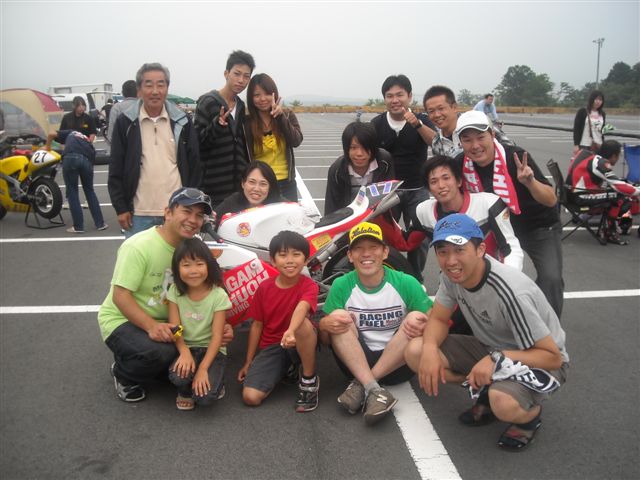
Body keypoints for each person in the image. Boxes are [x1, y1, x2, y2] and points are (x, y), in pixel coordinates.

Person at [404, 214, 569, 452]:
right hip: (491, 348)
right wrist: (429, 349)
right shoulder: (452, 276)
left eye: (459, 250)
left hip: (539, 359)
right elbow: (439, 318)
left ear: (480, 249)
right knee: (416, 351)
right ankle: (487, 388)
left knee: (503, 403)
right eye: (442, 252)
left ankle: (529, 416)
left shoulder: (511, 292)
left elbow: (553, 357)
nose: (450, 261)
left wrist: (495, 360)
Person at [98, 187, 231, 402]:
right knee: (161, 355)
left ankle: (148, 362)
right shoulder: (138, 246)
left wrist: (225, 324)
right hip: (122, 320)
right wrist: (151, 326)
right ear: (168, 212)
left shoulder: (193, 248)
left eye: (199, 215)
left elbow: (214, 287)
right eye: (186, 211)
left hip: (170, 321)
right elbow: (120, 296)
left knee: (183, 367)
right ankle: (123, 373)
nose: (193, 220)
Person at [318, 222, 432, 425]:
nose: (366, 254)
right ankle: (375, 390)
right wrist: (324, 326)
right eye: (359, 249)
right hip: (354, 362)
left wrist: (425, 327)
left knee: (417, 318)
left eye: (373, 247)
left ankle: (364, 384)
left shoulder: (406, 282)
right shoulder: (341, 285)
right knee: (337, 316)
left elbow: (435, 323)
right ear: (350, 256)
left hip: (398, 365)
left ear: (385, 252)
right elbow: (326, 341)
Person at [454, 110, 564, 317]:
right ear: (461, 143)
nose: (475, 145)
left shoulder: (515, 157)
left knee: (551, 278)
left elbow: (551, 199)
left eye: (480, 137)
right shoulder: (461, 164)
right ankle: (491, 321)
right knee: (481, 275)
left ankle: (548, 329)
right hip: (498, 229)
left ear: (492, 135)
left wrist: (530, 182)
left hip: (538, 226)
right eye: (467, 140)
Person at [379, 155, 523, 270]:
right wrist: (378, 212)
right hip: (451, 279)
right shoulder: (424, 211)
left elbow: (510, 248)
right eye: (434, 181)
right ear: (429, 189)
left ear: (459, 181)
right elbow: (405, 242)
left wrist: (509, 280)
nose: (441, 185)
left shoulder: (489, 204)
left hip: (489, 277)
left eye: (446, 178)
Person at [108, 63, 202, 238]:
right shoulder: (125, 122)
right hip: (138, 214)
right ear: (139, 90)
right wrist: (120, 208)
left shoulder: (182, 121)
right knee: (139, 256)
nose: (155, 91)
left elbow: (194, 164)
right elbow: (116, 167)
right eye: (149, 85)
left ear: (167, 88)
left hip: (177, 212)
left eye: (160, 85)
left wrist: (192, 206)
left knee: (179, 256)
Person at [237, 230, 320, 412]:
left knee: (302, 325)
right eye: (283, 255)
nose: (289, 260)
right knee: (250, 397)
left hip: (299, 340)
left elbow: (302, 307)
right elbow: (257, 325)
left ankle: (309, 379)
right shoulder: (264, 288)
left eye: (296, 254)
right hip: (274, 346)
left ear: (306, 260)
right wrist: (248, 361)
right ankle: (287, 367)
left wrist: (290, 331)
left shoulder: (309, 285)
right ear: (273, 261)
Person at [371, 74, 436, 281]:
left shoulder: (422, 120)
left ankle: (415, 278)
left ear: (409, 96)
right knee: (385, 236)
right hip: (388, 192)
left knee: (420, 238)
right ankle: (390, 276)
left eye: (400, 95)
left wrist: (417, 124)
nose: (395, 100)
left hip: (418, 190)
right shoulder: (377, 124)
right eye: (389, 96)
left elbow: (435, 142)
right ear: (384, 99)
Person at [167, 238, 232, 410]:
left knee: (205, 398)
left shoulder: (218, 295)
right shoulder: (174, 291)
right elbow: (175, 328)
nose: (193, 271)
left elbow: (217, 336)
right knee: (178, 377)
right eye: (186, 265)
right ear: (177, 269)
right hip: (187, 346)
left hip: (213, 350)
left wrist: (203, 368)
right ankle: (185, 390)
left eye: (199, 264)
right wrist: (183, 351)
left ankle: (217, 381)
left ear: (208, 265)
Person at [195, 50, 255, 207]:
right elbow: (198, 143)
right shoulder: (208, 102)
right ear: (226, 74)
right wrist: (216, 125)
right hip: (213, 187)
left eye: (246, 76)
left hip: (237, 188)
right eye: (237, 74)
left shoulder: (240, 106)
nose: (241, 80)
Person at [567, 139, 639, 245]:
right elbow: (618, 185)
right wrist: (637, 191)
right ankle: (609, 232)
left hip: (570, 193)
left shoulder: (588, 155)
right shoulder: (600, 163)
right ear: (614, 156)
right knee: (618, 196)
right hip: (579, 197)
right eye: (618, 156)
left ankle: (608, 228)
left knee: (612, 192)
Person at [245, 73, 302, 201]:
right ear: (251, 98)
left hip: (287, 184)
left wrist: (281, 117)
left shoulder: (287, 115)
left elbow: (296, 141)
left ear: (274, 94)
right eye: (257, 95)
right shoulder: (246, 123)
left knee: (289, 214)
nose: (262, 99)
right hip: (259, 185)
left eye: (267, 93)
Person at [324, 121, 395, 214]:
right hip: (348, 217)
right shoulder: (337, 170)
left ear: (373, 148)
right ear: (346, 149)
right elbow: (331, 207)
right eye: (353, 148)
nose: (359, 154)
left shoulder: (384, 162)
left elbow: (390, 198)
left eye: (365, 148)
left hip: (376, 216)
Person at [45, 130, 107, 233]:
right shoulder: (86, 140)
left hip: (71, 157)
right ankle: (100, 224)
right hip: (87, 160)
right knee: (90, 191)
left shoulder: (70, 132)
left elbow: (51, 134)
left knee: (72, 192)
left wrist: (47, 148)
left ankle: (78, 226)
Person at [214, 161, 284, 228]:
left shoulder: (281, 205)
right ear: (243, 183)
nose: (256, 189)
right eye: (252, 182)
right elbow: (212, 220)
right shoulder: (232, 201)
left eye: (263, 184)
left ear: (270, 187)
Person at [423, 85, 462, 158]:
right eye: (431, 111)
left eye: (441, 108)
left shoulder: (471, 129)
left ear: (454, 107)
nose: (437, 115)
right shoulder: (436, 143)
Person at [573, 90, 606, 154]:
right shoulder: (583, 111)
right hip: (584, 144)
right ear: (592, 99)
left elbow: (602, 130)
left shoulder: (602, 114)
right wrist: (576, 145)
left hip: (598, 145)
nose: (598, 102)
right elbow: (576, 128)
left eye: (600, 100)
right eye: (596, 99)